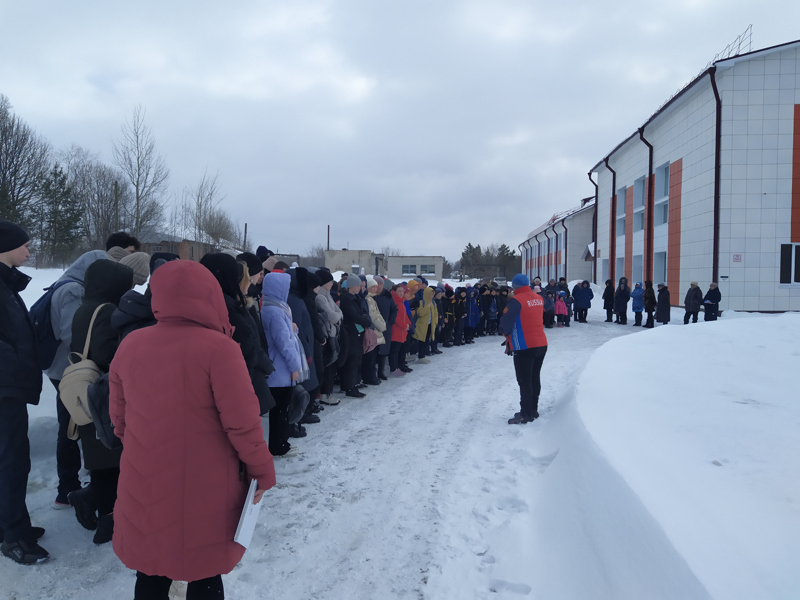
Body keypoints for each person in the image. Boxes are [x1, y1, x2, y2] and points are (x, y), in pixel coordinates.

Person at [109, 260, 276, 599]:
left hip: (144, 475)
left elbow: (120, 418)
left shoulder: (131, 344)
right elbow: (243, 423)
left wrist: (147, 446)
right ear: (210, 295)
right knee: (204, 568)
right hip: (205, 480)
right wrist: (262, 471)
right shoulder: (220, 349)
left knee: (151, 567)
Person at [67, 259, 135, 545]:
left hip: (86, 393)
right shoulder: (106, 311)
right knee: (112, 459)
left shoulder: (86, 307)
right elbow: (109, 356)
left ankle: (95, 502)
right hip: (103, 394)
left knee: (101, 459)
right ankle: (108, 521)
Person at [43, 249, 110, 508]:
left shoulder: (65, 284)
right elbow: (73, 336)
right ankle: (67, 488)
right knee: (71, 427)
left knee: (74, 424)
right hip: (68, 372)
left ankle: (71, 483)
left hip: (65, 369)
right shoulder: (71, 291)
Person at [0, 221, 48, 564]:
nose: (29, 252)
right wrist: (16, 363)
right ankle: (13, 535)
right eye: (25, 245)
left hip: (10, 387)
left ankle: (12, 524)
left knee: (12, 460)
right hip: (4, 389)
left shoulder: (6, 284)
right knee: (11, 462)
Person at [261, 271, 303, 456]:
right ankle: (279, 446)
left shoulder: (271, 307)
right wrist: (295, 367)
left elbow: (288, 334)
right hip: (281, 368)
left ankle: (279, 443)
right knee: (281, 410)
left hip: (277, 367)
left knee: (279, 409)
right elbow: (284, 342)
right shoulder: (276, 312)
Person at [499, 274, 548, 424]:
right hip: (541, 343)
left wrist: (503, 330)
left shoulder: (516, 301)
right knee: (534, 377)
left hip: (524, 345)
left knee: (524, 380)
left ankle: (525, 413)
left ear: (515, 286)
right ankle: (533, 409)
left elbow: (505, 324)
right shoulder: (538, 298)